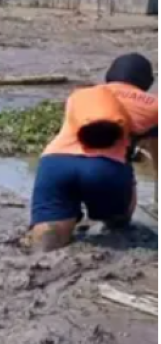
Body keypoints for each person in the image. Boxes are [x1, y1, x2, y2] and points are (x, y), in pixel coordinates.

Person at [29, 53, 158, 251]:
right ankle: (112, 227)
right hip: (106, 169)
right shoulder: (153, 106)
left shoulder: (82, 95)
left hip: (55, 163)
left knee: (48, 240)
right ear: (148, 82)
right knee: (117, 225)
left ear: (109, 76)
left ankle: (41, 255)